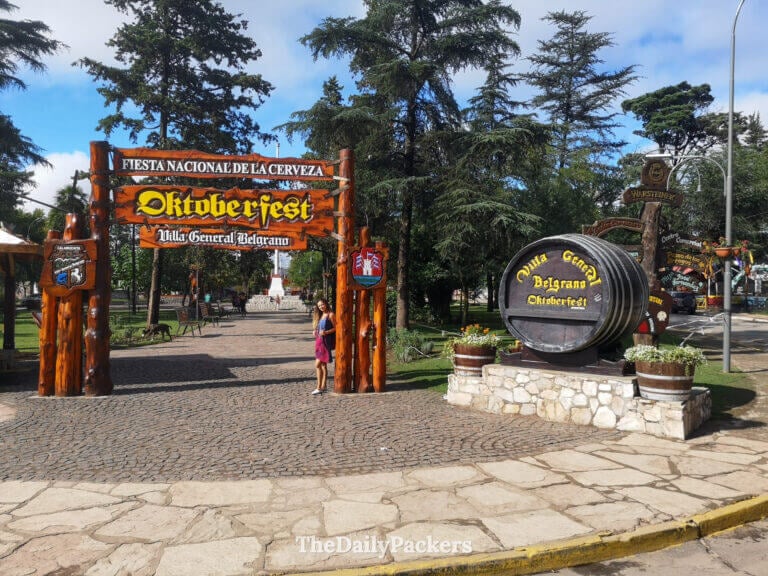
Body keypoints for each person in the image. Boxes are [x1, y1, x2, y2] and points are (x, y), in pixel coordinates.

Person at [311, 298, 335, 395]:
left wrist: (326, 332)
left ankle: (318, 387)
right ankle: (323, 386)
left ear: (326, 304)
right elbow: (320, 327)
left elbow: (337, 327)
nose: (321, 307)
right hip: (319, 341)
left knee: (317, 364)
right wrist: (315, 331)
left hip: (325, 342)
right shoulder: (320, 315)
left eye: (322, 304)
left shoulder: (331, 314)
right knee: (323, 365)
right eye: (319, 305)